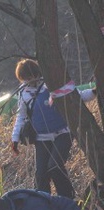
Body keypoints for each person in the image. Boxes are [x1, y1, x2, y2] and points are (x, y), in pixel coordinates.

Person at [11, 58, 96, 199]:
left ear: (38, 73)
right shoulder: (23, 94)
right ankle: (45, 203)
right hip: (41, 138)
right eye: (27, 77)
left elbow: (76, 97)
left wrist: (94, 92)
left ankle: (68, 200)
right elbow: (21, 117)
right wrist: (14, 139)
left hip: (63, 133)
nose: (31, 79)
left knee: (55, 167)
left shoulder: (51, 84)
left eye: (33, 75)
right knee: (41, 174)